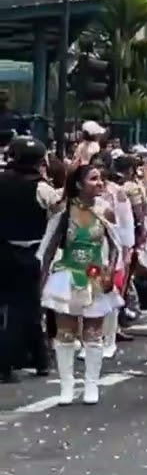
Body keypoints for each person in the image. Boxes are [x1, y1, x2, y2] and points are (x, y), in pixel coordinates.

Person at [37, 162, 123, 405]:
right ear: (78, 184)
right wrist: (41, 280)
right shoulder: (63, 211)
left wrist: (111, 272)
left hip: (96, 276)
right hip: (68, 274)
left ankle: (91, 385)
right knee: (65, 333)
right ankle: (66, 386)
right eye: (93, 179)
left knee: (93, 333)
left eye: (101, 178)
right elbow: (49, 246)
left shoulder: (105, 211)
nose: (100, 183)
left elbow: (117, 244)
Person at [0, 137, 56, 382]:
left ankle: (21, 360)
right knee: (30, 306)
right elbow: (57, 212)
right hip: (33, 252)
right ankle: (38, 359)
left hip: (3, 250)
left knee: (7, 306)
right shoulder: (42, 188)